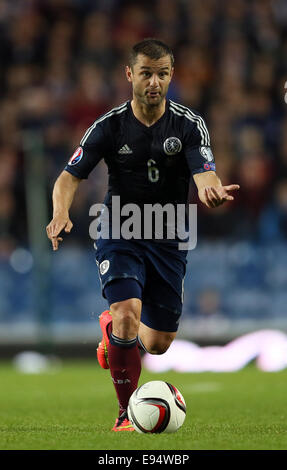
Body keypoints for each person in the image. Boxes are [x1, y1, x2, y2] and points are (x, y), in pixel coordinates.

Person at [46, 39, 239, 431]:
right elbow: (69, 176)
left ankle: (111, 334)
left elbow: (205, 173)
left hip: (167, 233)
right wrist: (60, 211)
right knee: (127, 316)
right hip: (120, 225)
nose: (155, 82)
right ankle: (124, 413)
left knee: (156, 343)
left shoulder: (188, 124)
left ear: (171, 76)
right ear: (129, 74)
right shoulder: (109, 126)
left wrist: (209, 190)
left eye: (163, 74)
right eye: (147, 73)